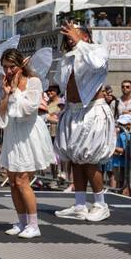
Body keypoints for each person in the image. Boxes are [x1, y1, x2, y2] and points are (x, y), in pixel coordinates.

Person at [54, 22, 116, 222]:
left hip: (92, 111)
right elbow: (62, 82)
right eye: (68, 36)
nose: (70, 39)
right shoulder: (69, 57)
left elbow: (97, 65)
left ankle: (100, 203)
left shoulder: (98, 51)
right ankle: (80, 204)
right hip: (73, 111)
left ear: (86, 37)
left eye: (73, 35)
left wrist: (80, 42)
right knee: (75, 158)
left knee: (89, 160)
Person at [0, 49, 54, 239]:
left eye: (11, 66)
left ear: (20, 66)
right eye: (5, 67)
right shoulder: (3, 83)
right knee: (12, 181)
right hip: (12, 133)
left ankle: (34, 224)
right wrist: (6, 94)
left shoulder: (33, 82)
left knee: (22, 180)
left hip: (28, 134)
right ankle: (21, 221)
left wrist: (15, 91)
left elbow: (29, 109)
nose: (8, 71)